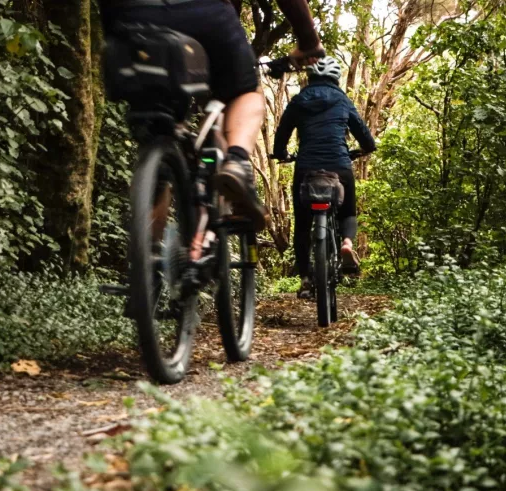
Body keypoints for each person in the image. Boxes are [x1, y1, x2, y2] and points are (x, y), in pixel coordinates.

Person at [98, 0, 324, 232]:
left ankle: (148, 260)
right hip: (204, 14)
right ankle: (236, 161)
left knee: (158, 133)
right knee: (244, 92)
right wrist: (309, 41)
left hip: (129, 17)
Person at [272, 57, 376, 299]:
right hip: (339, 166)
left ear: (310, 76)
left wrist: (281, 154)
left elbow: (282, 133)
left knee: (302, 225)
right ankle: (347, 244)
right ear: (335, 78)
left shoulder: (298, 101)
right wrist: (364, 149)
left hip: (306, 168)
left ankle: (306, 279)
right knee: (348, 211)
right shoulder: (342, 100)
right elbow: (366, 138)